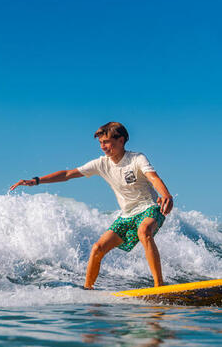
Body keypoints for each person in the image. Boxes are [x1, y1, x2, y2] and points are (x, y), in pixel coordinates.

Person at [10, 122, 173, 289]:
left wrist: (166, 195)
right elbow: (67, 174)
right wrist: (37, 181)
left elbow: (153, 178)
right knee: (97, 248)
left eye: (106, 142)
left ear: (121, 140)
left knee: (144, 231)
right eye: (101, 142)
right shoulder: (101, 164)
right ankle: (88, 290)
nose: (103, 146)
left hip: (150, 207)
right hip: (127, 215)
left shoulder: (136, 158)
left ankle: (159, 286)